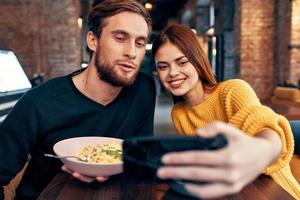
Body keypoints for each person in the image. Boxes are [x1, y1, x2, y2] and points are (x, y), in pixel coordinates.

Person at [0, 0, 155, 199]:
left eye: (140, 43)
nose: (132, 52)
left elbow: (142, 158)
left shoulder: (143, 90)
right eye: (120, 38)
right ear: (93, 40)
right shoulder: (40, 103)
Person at [152, 23, 300, 199]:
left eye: (182, 62)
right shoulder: (179, 113)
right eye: (163, 67)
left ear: (198, 61)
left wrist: (264, 148)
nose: (172, 73)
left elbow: (265, 126)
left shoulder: (233, 90)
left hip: (273, 190)